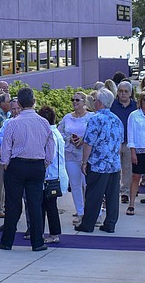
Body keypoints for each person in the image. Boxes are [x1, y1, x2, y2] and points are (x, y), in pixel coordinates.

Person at [0, 87, 55, 252]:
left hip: (17, 164)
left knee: (12, 204)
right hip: (37, 165)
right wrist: (46, 161)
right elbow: (51, 145)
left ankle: (7, 241)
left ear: (19, 104)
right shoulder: (44, 122)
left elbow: (6, 145)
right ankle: (38, 242)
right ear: (34, 102)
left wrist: (5, 162)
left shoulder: (13, 123)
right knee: (35, 204)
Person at [76, 88, 124, 234]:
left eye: (95, 100)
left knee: (93, 195)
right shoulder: (117, 119)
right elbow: (120, 142)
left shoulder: (95, 119)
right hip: (114, 164)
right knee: (112, 196)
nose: (94, 102)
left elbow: (88, 143)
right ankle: (110, 224)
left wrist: (84, 162)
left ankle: (88, 224)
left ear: (100, 102)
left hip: (98, 164)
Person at [58, 91, 94, 226]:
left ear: (84, 102)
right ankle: (80, 212)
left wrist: (83, 139)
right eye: (72, 99)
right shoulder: (67, 117)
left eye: (77, 100)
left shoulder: (91, 117)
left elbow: (95, 133)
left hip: (87, 155)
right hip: (71, 154)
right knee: (75, 185)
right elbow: (59, 132)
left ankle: (95, 213)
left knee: (88, 185)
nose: (74, 102)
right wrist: (69, 139)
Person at [37, 106, 67, 244]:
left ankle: (54, 234)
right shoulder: (56, 133)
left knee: (49, 206)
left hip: (51, 176)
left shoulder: (50, 135)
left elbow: (49, 157)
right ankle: (42, 232)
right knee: (47, 205)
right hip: (55, 174)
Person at [109, 81, 136, 205]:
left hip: (129, 143)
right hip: (114, 143)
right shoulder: (112, 105)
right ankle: (112, 192)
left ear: (130, 93)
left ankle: (125, 193)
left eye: (126, 91)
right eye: (121, 91)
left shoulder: (135, 106)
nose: (123, 94)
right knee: (114, 169)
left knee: (127, 169)